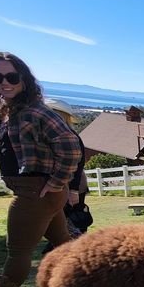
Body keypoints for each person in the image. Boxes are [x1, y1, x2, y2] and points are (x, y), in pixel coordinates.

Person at [0, 53, 82, 287]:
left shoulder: (35, 111)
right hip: (38, 191)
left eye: (11, 76)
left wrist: (56, 181)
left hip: (36, 191)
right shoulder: (7, 112)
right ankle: (90, 286)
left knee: (17, 250)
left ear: (24, 79)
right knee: (62, 243)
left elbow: (70, 146)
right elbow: (10, 148)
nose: (4, 82)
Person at [43, 98, 92, 243]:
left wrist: (74, 190)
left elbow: (78, 164)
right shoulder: (51, 135)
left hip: (73, 183)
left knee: (74, 217)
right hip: (61, 183)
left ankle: (78, 244)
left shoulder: (70, 136)